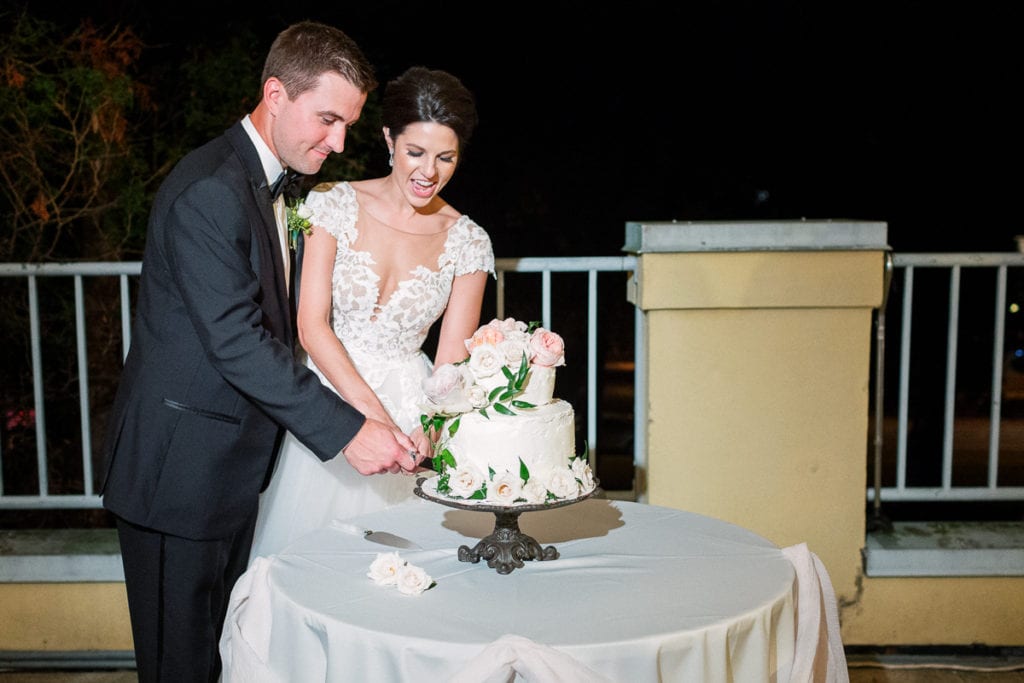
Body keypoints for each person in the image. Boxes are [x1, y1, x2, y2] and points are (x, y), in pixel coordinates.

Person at [99, 22, 419, 683]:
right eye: (327, 120)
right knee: (178, 668)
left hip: (230, 472)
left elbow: (292, 326)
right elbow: (237, 339)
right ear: (275, 93)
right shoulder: (211, 190)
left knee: (222, 655)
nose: (336, 143)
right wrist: (346, 432)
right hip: (178, 476)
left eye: (346, 126)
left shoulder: (276, 183)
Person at [248, 66, 493, 560]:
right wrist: (371, 419)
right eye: (416, 153)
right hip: (330, 398)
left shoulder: (469, 240)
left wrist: (430, 426)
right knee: (306, 561)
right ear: (389, 139)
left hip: (412, 409)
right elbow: (311, 326)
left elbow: (451, 363)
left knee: (402, 564)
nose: (429, 172)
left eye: (446, 157)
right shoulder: (332, 204)